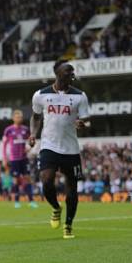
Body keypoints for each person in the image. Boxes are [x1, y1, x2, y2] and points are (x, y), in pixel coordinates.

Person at [29, 59, 90, 240]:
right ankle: (56, 207)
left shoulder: (80, 96)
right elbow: (35, 116)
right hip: (49, 146)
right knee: (46, 180)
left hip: (71, 149)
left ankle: (68, 225)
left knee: (72, 189)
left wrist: (83, 124)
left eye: (72, 72)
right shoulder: (40, 95)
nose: (72, 75)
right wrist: (33, 133)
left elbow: (87, 120)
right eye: (68, 72)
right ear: (57, 73)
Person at [2, 110, 38, 209]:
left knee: (27, 179)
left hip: (24, 159)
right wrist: (5, 158)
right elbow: (4, 146)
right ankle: (17, 201)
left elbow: (32, 141)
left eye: (21, 117)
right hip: (14, 159)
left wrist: (29, 148)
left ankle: (31, 201)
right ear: (13, 118)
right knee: (16, 180)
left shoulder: (25, 129)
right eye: (17, 117)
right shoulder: (8, 130)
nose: (19, 119)